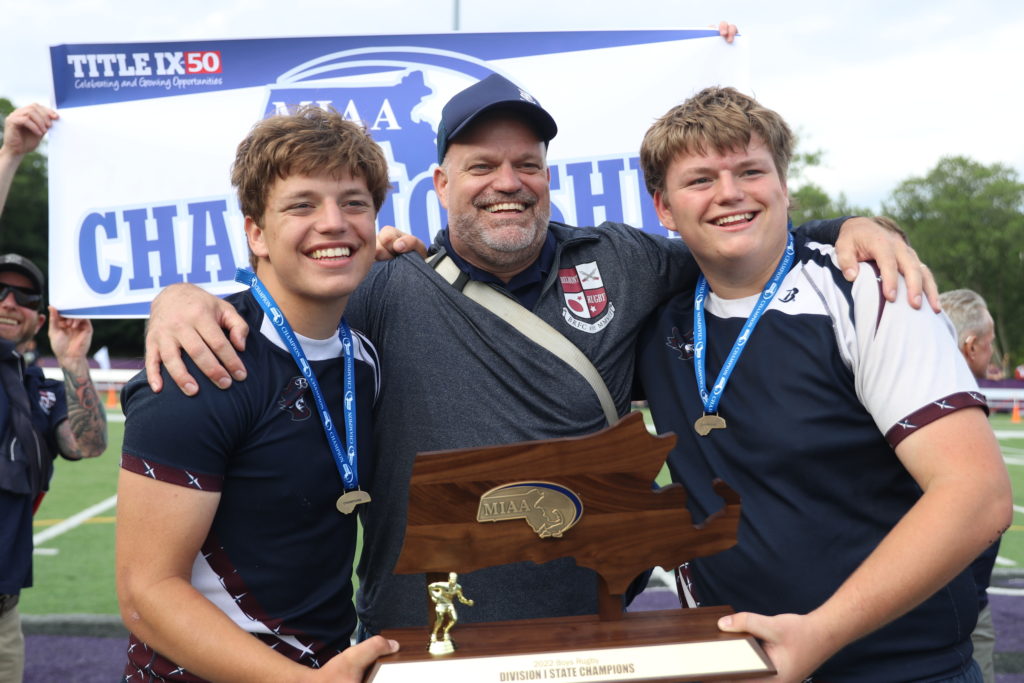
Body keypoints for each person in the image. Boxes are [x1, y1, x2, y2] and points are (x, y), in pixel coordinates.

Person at [143, 72, 937, 635]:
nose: (508, 182)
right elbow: (289, 287)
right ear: (441, 184)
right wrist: (174, 299)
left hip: (588, 630)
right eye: (482, 166)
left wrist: (849, 231)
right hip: (417, 633)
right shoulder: (385, 283)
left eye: (528, 164)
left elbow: (734, 234)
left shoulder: (624, 260)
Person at [635, 86, 1011, 681]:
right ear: (663, 206)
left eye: (750, 171)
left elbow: (977, 497)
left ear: (783, 185)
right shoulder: (657, 317)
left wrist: (820, 633)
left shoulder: (870, 290)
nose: (729, 194)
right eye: (700, 179)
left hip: (901, 670)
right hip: (733, 663)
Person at [115, 107, 398, 682]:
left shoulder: (363, 356)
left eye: (354, 203)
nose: (334, 222)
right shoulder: (202, 361)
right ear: (255, 233)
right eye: (302, 204)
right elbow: (146, 592)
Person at [0, 254, 107, 682]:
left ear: (40, 320)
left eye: (24, 296)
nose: (9, 302)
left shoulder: (40, 390)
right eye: (0, 291)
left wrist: (74, 359)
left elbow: (89, 444)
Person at [939, 287, 1001, 683]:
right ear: (971, 344)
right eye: (991, 342)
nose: (993, 354)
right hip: (954, 603)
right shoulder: (955, 408)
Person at [428, 572, 474, 652]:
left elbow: (460, 598)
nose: (453, 581)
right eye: (452, 579)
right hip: (441, 603)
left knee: (455, 619)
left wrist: (467, 602)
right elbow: (430, 587)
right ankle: (434, 634)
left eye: (455, 579)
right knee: (440, 620)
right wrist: (434, 596)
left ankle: (446, 631)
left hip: (449, 604)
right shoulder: (442, 585)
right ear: (449, 579)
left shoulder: (458, 587)